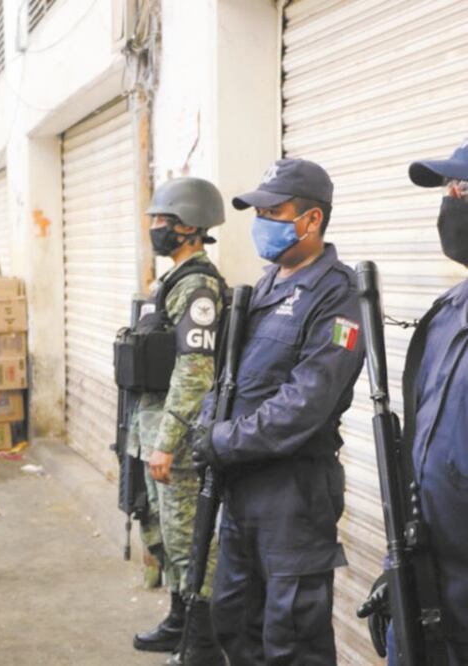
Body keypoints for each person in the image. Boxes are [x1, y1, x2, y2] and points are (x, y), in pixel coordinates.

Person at [192, 158, 365, 665]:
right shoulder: (266, 285)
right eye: (259, 212)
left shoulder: (339, 296)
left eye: (274, 212)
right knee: (234, 618)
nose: (262, 221)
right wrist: (207, 422)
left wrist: (222, 440)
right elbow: (229, 377)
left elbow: (305, 404)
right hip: (242, 487)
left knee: (292, 638)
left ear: (312, 220)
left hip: (294, 496)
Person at [128, 177, 228, 666]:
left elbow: (194, 373)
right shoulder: (170, 280)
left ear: (189, 225)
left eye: (162, 220)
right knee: (164, 533)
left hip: (179, 440)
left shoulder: (197, 287)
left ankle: (203, 644)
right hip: (152, 430)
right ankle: (178, 621)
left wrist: (166, 442)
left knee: (190, 542)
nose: (153, 227)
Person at [384, 139, 468, 665]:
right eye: (449, 187)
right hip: (429, 594)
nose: (451, 198)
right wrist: (400, 565)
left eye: (464, 188)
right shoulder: (446, 313)